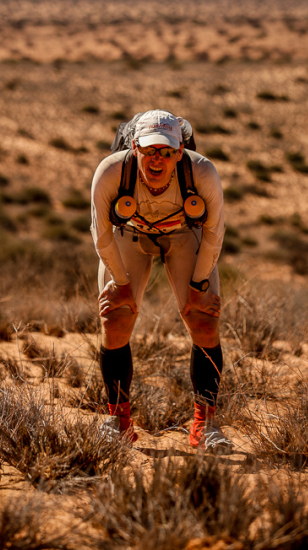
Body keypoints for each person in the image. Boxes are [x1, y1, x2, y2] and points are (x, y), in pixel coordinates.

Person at [90, 109, 233, 453]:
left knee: (204, 320)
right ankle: (118, 422)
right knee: (115, 318)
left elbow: (214, 234)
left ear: (180, 152)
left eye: (167, 151)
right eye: (150, 150)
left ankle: (205, 426)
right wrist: (121, 284)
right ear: (135, 147)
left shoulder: (202, 172)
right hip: (128, 233)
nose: (158, 159)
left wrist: (199, 288)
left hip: (185, 233)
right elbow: (101, 234)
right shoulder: (111, 171)